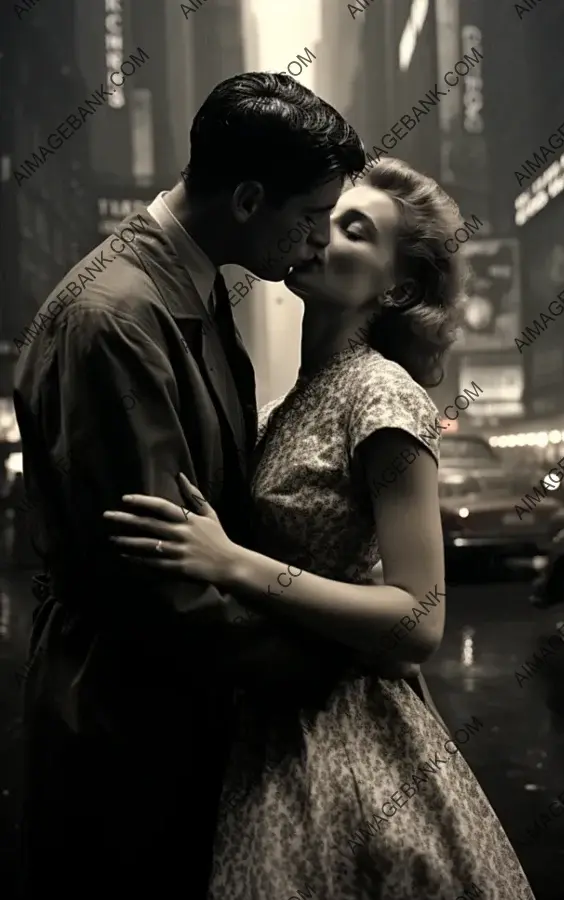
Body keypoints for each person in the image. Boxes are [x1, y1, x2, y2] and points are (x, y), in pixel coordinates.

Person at [104, 159, 537, 898]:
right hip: (275, 721)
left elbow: (419, 620)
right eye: (324, 214)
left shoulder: (383, 395)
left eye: (354, 229)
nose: (319, 233)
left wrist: (235, 565)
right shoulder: (291, 402)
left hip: (348, 745)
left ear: (395, 288)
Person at [13, 72, 367, 899]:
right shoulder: (116, 318)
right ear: (248, 199)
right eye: (309, 216)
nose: (316, 241)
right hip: (126, 726)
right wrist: (333, 657)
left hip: (171, 709)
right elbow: (163, 578)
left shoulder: (189, 283)